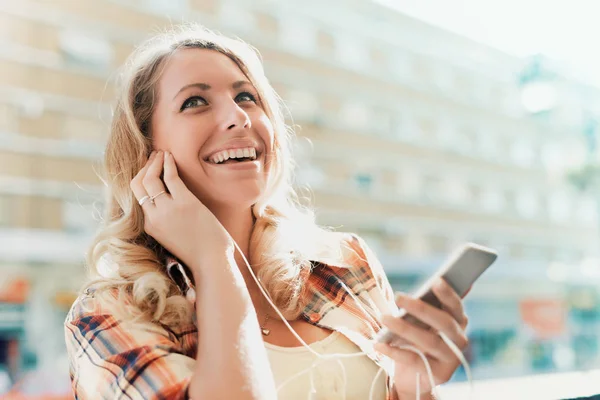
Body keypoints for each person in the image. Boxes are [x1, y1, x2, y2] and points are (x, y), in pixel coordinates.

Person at [64, 24, 470, 400]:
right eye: (195, 101)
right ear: (145, 152)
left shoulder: (343, 262)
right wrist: (214, 261)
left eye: (246, 96)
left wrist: (415, 384)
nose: (239, 117)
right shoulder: (108, 313)